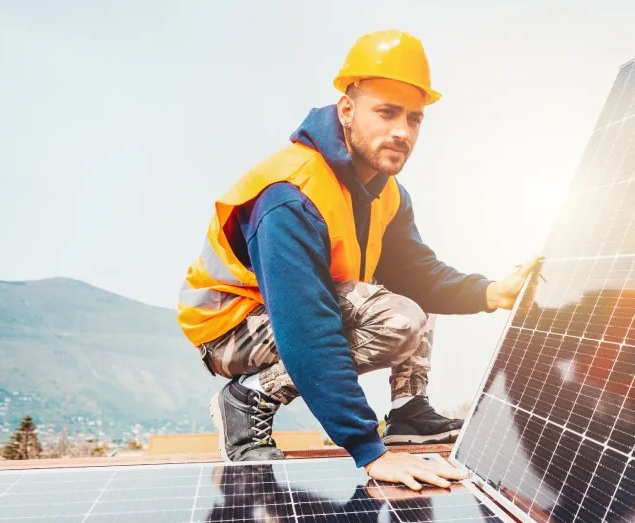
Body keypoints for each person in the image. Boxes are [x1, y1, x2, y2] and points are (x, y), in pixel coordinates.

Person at [176, 29, 539, 487]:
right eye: (386, 113)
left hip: (298, 309)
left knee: (405, 296)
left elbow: (416, 273)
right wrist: (367, 449)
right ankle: (247, 398)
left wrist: (490, 292)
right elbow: (307, 327)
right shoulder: (290, 196)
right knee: (398, 316)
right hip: (231, 327)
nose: (401, 132)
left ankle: (408, 412)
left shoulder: (385, 192)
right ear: (347, 110)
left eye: (414, 118)